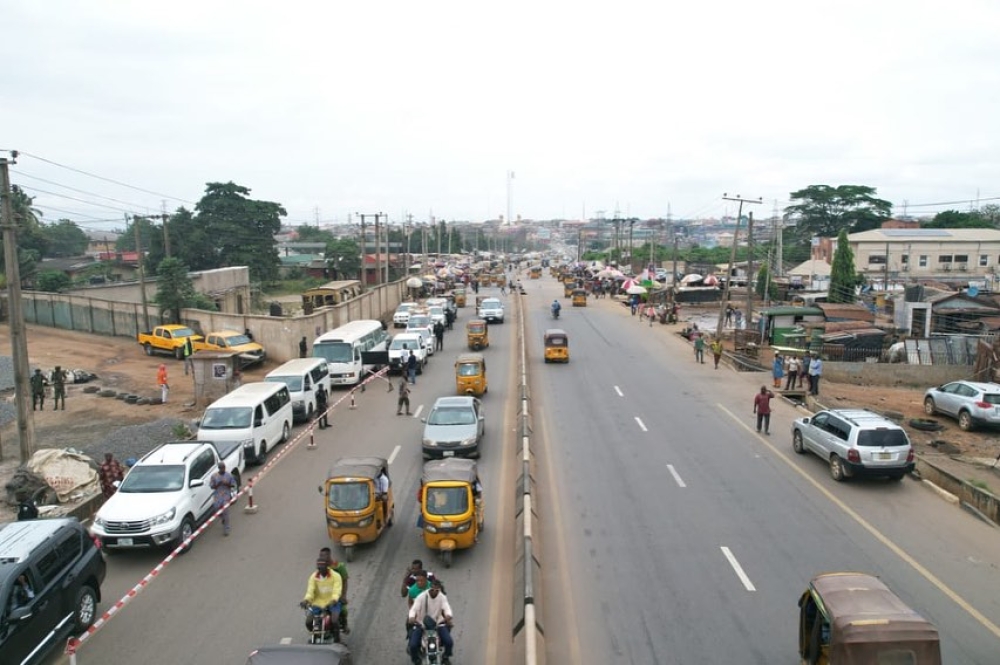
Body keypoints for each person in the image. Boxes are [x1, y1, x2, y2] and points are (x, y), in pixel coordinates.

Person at [408, 579, 454, 665]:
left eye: (437, 590)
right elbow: (413, 609)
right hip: (421, 624)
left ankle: (445, 657)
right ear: (430, 588)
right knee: (413, 645)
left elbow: (447, 608)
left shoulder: (442, 597)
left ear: (439, 590)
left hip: (437, 624)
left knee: (449, 642)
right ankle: (416, 660)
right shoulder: (421, 597)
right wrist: (411, 617)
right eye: (432, 589)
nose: (434, 592)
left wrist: (448, 615)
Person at [301, 558, 344, 637]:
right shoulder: (313, 577)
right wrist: (306, 600)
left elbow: (337, 591)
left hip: (333, 602)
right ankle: (317, 635)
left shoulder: (336, 576)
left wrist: (334, 600)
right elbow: (310, 591)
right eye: (319, 566)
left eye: (322, 566)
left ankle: (337, 640)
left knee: (334, 620)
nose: (320, 568)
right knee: (308, 622)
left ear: (327, 566)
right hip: (318, 603)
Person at [318, 547, 350, 634]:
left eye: (323, 556)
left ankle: (343, 626)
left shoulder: (339, 566)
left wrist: (343, 596)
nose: (321, 558)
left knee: (341, 611)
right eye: (320, 556)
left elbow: (345, 581)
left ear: (329, 556)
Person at [210, 462, 236, 536]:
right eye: (221, 468)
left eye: (224, 468)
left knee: (225, 509)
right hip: (217, 494)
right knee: (216, 508)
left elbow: (233, 485)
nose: (223, 469)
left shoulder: (229, 476)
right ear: (219, 468)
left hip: (226, 494)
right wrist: (217, 484)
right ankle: (223, 518)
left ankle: (226, 528)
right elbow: (212, 486)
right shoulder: (214, 476)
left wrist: (227, 483)